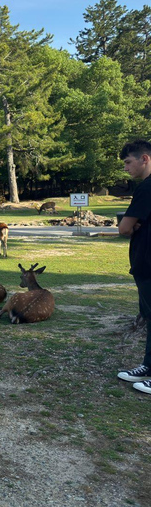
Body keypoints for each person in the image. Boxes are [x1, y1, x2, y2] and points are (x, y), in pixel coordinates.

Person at [118, 140, 151, 394]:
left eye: (128, 162)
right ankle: (148, 366)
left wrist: (133, 226)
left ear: (145, 159)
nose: (126, 168)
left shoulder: (146, 187)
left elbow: (124, 228)